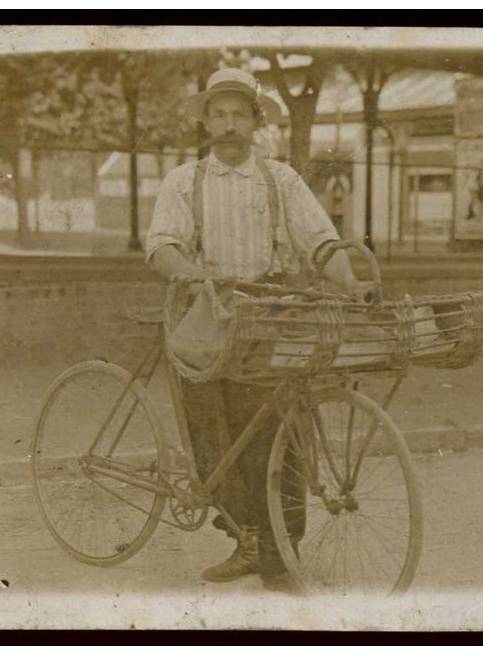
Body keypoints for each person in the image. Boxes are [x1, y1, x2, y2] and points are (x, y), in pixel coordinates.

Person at [145, 68, 370, 592]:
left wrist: (352, 283)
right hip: (203, 321)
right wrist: (192, 273)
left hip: (268, 321)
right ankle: (246, 540)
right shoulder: (184, 181)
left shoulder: (280, 180)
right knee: (212, 433)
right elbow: (161, 246)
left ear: (255, 121)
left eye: (238, 115)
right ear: (205, 121)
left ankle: (280, 554)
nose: (228, 125)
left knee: (278, 434)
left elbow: (321, 242)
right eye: (218, 115)